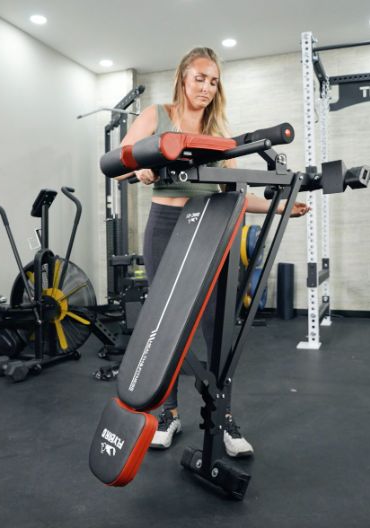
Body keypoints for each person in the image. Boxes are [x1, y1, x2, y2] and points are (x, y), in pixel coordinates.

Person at [115, 47, 310, 457]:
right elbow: (121, 160)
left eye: (213, 81)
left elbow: (234, 193)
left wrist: (280, 206)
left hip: (208, 226)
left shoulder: (219, 135)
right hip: (165, 226)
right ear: (183, 78)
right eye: (200, 78)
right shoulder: (156, 116)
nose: (206, 87)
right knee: (165, 324)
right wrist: (141, 165)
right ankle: (168, 413)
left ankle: (222, 416)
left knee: (216, 325)